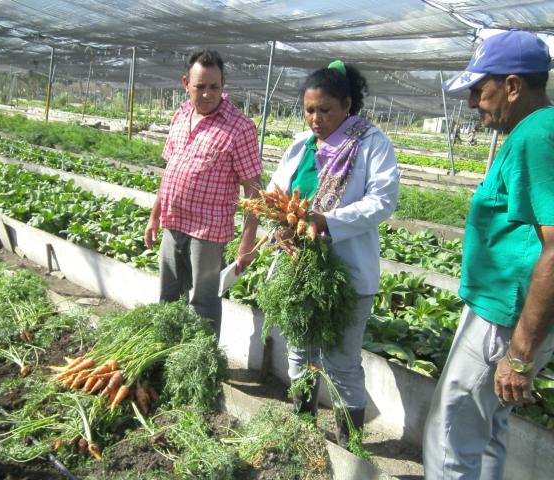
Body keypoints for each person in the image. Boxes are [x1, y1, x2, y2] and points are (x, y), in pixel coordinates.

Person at [423, 30, 554, 479]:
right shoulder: (535, 131)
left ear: (513, 86)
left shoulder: (535, 136)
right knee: (490, 429)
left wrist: (519, 352)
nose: (473, 102)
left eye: (480, 90)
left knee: (450, 434)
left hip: (505, 318)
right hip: (505, 311)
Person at [267, 60, 399, 445]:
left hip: (346, 274)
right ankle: (303, 434)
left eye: (325, 110)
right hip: (298, 270)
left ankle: (349, 447)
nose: (315, 118)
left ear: (346, 105)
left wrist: (328, 221)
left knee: (341, 362)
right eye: (309, 110)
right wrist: (281, 229)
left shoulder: (371, 143)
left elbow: (383, 200)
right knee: (299, 354)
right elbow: (276, 194)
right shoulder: (300, 146)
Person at [144, 50, 262, 337]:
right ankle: (164, 356)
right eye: (200, 87)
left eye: (214, 87)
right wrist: (154, 217)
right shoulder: (181, 115)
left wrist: (247, 244)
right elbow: (170, 172)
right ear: (186, 83)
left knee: (203, 304)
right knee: (168, 297)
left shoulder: (239, 127)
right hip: (173, 223)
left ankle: (199, 364)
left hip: (208, 232)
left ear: (223, 85)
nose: (207, 94)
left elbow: (253, 191)